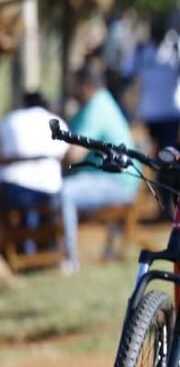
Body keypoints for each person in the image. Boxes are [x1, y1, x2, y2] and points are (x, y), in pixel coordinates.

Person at [60, 64, 139, 267]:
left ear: (86, 86)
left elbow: (75, 155)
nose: (71, 90)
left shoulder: (96, 107)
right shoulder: (99, 103)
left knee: (64, 192)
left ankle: (69, 260)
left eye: (74, 85)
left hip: (117, 182)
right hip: (114, 178)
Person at [0, 93, 70, 269]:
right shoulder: (56, 120)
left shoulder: (11, 119)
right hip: (50, 189)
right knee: (42, 213)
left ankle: (25, 252)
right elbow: (67, 154)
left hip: (15, 189)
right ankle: (47, 251)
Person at [123, 14, 180, 150]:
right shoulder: (141, 49)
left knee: (170, 151)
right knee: (155, 153)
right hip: (151, 112)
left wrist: (179, 55)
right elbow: (126, 77)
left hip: (173, 112)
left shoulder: (179, 44)